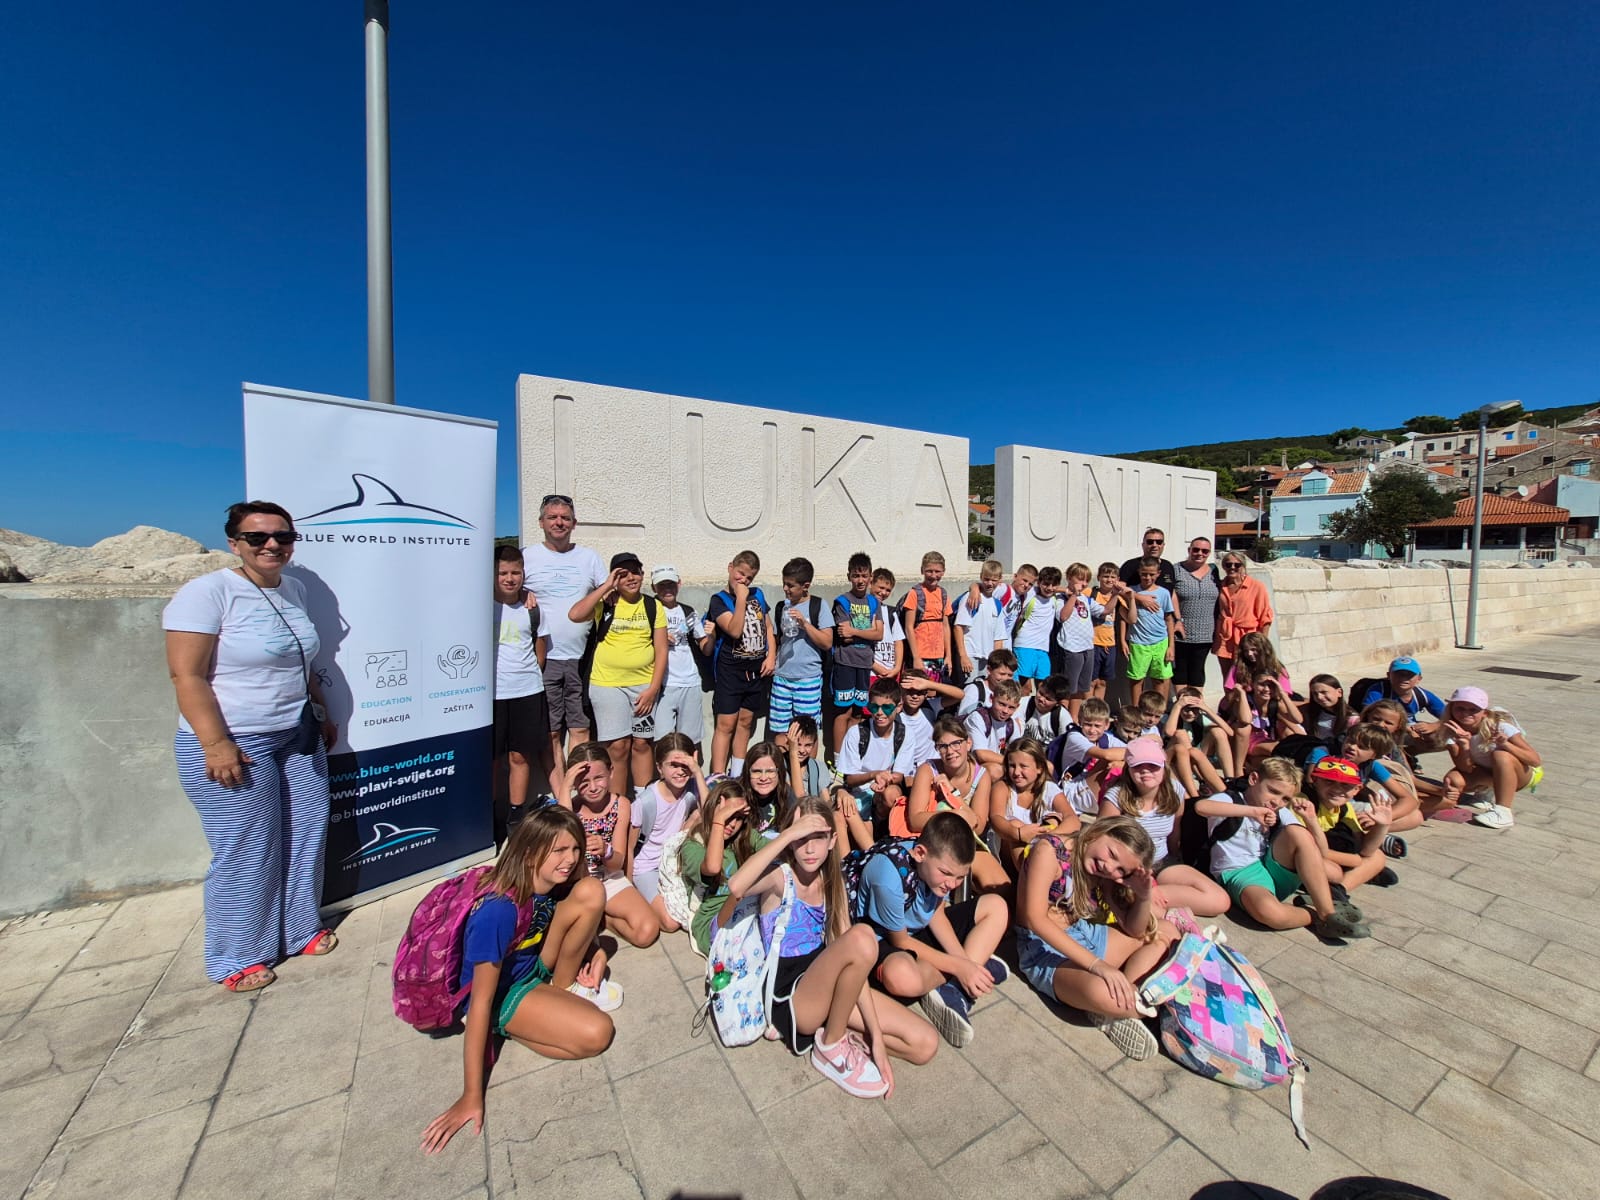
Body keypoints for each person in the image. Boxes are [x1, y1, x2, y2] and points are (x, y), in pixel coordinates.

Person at [163, 501, 338, 992]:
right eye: (257, 537)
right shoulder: (207, 593)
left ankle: (299, 928)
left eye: (282, 536)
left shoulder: (295, 589)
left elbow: (300, 662)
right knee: (245, 848)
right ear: (233, 542)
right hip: (236, 740)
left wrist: (320, 710)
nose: (272, 545)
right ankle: (237, 953)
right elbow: (186, 674)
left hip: (297, 733)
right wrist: (215, 744)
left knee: (304, 836)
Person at [420, 806, 613, 1155]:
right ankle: (513, 1025)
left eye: (574, 849)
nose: (569, 859)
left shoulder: (550, 882)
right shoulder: (499, 910)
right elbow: (479, 1002)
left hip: (533, 963)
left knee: (592, 891)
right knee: (597, 1033)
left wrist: (596, 952)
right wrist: (470, 1096)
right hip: (500, 993)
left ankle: (559, 992)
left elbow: (575, 918)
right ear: (528, 854)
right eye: (559, 851)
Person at [722, 796, 938, 1095]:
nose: (809, 848)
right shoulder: (779, 878)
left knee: (924, 1044)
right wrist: (786, 835)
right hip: (792, 998)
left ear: (833, 839)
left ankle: (842, 1034)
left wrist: (875, 1036)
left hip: (830, 985)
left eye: (818, 837)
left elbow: (855, 967)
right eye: (801, 837)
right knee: (862, 938)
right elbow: (736, 887)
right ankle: (830, 1045)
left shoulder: (831, 880)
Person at [1014, 815, 1182, 1060]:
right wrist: (1099, 967)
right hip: (1043, 948)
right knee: (1108, 992)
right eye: (1112, 854)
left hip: (1085, 935)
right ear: (1098, 831)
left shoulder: (1105, 874)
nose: (1109, 867)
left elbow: (1135, 931)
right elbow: (1035, 919)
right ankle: (1121, 999)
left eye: (1120, 870)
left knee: (1169, 932)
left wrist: (1144, 896)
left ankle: (1119, 998)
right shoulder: (1049, 851)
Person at [852, 812, 1010, 1048]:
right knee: (902, 978)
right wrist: (961, 966)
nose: (952, 884)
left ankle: (954, 989)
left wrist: (963, 960)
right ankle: (967, 972)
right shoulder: (888, 876)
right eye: (947, 874)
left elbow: (936, 913)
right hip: (882, 937)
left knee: (997, 907)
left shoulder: (938, 869)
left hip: (915, 929)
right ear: (920, 853)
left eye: (960, 877)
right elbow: (901, 941)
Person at [1192, 758, 1369, 939]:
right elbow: (1202, 807)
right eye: (1273, 791)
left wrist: (1311, 821)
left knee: (1298, 833)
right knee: (1270, 913)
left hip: (1271, 865)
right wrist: (1252, 811)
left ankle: (1328, 913)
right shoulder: (1231, 799)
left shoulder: (1279, 811)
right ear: (1254, 779)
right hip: (1239, 872)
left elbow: (1321, 852)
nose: (1276, 802)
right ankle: (1315, 914)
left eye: (1285, 798)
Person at [521, 495, 608, 778]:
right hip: (543, 660)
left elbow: (608, 595)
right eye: (553, 517)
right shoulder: (526, 557)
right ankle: (561, 795)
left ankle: (578, 789)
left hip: (581, 658)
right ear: (541, 522)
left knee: (581, 728)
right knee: (551, 732)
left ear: (574, 523)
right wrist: (522, 593)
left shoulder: (589, 557)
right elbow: (506, 591)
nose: (559, 522)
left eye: (565, 518)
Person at [569, 552, 668, 796]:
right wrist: (606, 586)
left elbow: (662, 650)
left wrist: (653, 689)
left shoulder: (652, 605)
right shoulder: (606, 603)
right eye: (622, 574)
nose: (630, 578)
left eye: (635, 571)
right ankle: (618, 803)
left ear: (643, 575)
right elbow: (575, 614)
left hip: (643, 688)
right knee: (618, 747)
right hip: (607, 685)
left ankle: (643, 802)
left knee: (643, 744)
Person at [1097, 738, 1229, 916]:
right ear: (1128, 769)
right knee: (1144, 910)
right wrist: (1141, 879)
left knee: (1219, 901)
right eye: (1138, 766)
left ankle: (1153, 901)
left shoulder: (1175, 790)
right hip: (1127, 868)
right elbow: (1101, 842)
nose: (1146, 771)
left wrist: (1177, 856)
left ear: (1163, 766)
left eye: (1153, 766)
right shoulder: (1116, 797)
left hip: (1162, 860)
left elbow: (1175, 830)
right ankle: (1153, 905)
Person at [557, 743, 661, 951]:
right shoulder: (569, 807)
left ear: (611, 772)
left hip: (608, 879)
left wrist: (606, 850)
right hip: (577, 884)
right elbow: (559, 835)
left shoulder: (620, 805)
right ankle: (593, 916)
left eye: (598, 778)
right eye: (583, 782)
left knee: (647, 931)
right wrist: (565, 788)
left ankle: (603, 919)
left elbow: (618, 863)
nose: (593, 787)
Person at [900, 715, 1010, 891]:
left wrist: (953, 793)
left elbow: (979, 825)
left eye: (956, 743)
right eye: (943, 746)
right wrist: (954, 816)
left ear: (968, 743)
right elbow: (915, 820)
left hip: (966, 844)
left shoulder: (981, 776)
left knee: (1003, 887)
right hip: (934, 845)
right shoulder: (928, 770)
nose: (950, 751)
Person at [492, 546, 552, 847]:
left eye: (515, 572)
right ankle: (492, 815)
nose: (509, 578)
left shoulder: (532, 608)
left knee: (519, 756)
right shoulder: (480, 605)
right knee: (492, 759)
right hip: (490, 696)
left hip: (527, 691)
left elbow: (540, 647)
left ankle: (516, 815)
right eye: (503, 572)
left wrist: (529, 674)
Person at [677, 779, 766, 954]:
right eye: (728, 815)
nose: (732, 824)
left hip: (748, 909)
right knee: (740, 887)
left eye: (739, 818)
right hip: (712, 922)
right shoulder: (694, 844)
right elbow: (712, 868)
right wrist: (719, 821)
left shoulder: (743, 837)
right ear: (713, 809)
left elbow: (776, 850)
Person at [707, 550, 776, 774]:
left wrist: (771, 655)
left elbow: (768, 626)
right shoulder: (719, 601)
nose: (743, 581)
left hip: (755, 671)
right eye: (740, 574)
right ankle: (717, 776)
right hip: (731, 671)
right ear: (730, 567)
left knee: (746, 721)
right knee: (726, 725)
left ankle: (737, 773)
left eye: (749, 578)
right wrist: (741, 598)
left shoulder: (759, 596)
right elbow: (735, 631)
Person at [629, 734, 705, 932]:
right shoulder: (645, 802)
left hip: (675, 860)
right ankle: (644, 899)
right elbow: (629, 848)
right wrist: (627, 888)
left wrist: (697, 772)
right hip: (647, 866)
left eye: (685, 765)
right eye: (673, 765)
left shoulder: (692, 789)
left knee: (701, 814)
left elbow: (712, 813)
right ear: (659, 767)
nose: (680, 772)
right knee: (671, 923)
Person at [1439, 686, 1542, 830]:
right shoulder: (1451, 732)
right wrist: (1465, 744)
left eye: (1473, 710)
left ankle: (1503, 812)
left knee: (1500, 755)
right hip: (1489, 772)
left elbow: (1535, 760)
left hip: (1522, 775)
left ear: (1484, 713)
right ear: (1451, 709)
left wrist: (1506, 745)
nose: (1465, 713)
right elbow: (1465, 768)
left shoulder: (1500, 727)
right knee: (1453, 780)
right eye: (1460, 708)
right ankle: (1486, 792)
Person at [834, 677, 918, 847]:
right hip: (858, 792)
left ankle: (883, 831)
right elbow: (849, 779)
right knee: (842, 814)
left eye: (886, 708)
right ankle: (847, 862)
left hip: (884, 788)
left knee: (892, 794)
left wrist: (884, 780)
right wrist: (874, 775)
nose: (879, 713)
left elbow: (899, 775)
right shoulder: (856, 733)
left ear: (898, 707)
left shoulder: (904, 734)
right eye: (874, 707)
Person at [1303, 756, 1397, 891]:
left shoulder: (1345, 808)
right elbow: (1306, 849)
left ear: (1357, 789)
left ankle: (1339, 890)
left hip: (1328, 854)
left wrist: (1382, 825)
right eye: (1329, 781)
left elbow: (1366, 850)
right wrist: (1354, 861)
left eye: (1345, 784)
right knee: (1332, 871)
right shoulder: (1304, 802)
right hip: (1306, 856)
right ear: (1315, 780)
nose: (1337, 788)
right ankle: (1348, 881)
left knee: (1378, 856)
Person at [769, 556, 835, 749]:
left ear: (805, 586)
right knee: (781, 730)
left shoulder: (818, 606)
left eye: (790, 585)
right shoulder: (782, 606)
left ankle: (808, 777)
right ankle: (784, 774)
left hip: (808, 678)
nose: (785, 589)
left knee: (808, 732)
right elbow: (777, 638)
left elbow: (827, 642)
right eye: (784, 584)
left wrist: (805, 624)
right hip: (782, 677)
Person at [988, 737, 1075, 873]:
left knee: (1054, 819)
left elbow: (1073, 819)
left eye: (1023, 766)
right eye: (1012, 766)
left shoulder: (1049, 788)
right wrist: (1017, 833)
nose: (1017, 772)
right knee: (1015, 823)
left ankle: (1044, 875)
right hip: (1007, 855)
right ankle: (1029, 876)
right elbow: (996, 818)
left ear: (1039, 768)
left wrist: (1047, 838)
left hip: (1041, 849)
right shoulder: (1003, 787)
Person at [651, 565, 711, 761]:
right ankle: (662, 782)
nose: (667, 589)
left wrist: (712, 634)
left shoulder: (688, 611)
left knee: (690, 740)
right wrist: (657, 639)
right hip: (662, 685)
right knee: (661, 740)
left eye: (671, 584)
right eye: (662, 585)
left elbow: (705, 646)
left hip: (689, 682)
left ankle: (691, 782)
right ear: (654, 587)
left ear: (679, 584)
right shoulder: (650, 610)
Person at [831, 552, 884, 754]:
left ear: (871, 577)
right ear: (849, 577)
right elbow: (844, 635)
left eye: (864, 576)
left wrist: (855, 632)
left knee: (858, 713)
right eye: (856, 576)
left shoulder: (874, 603)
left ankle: (850, 756)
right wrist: (865, 633)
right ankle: (837, 759)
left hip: (864, 662)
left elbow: (879, 634)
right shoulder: (842, 601)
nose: (860, 580)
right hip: (845, 662)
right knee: (843, 712)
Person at [1355, 657, 1447, 753]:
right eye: (1399, 674)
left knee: (1448, 740)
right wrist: (1406, 729)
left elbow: (1449, 716)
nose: (1403, 678)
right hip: (1383, 729)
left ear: (1419, 679)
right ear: (1388, 675)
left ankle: (1407, 754)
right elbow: (1367, 713)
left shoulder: (1422, 695)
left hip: (1410, 729)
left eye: (1409, 675)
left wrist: (1434, 725)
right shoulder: (1379, 691)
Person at [1120, 558, 1176, 706]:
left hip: (1160, 642)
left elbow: (1169, 619)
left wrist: (1171, 646)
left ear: (1158, 574)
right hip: (1138, 642)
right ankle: (1136, 710)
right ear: (1139, 572)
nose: (1148, 577)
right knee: (1137, 679)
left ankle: (1158, 712)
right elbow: (1123, 616)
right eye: (1144, 574)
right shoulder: (1131, 591)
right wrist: (1123, 641)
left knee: (1160, 678)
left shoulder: (1163, 593)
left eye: (1152, 574)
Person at [1169, 537, 1221, 689]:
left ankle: (1194, 709)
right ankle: (1182, 707)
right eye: (1196, 549)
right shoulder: (1176, 570)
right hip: (1181, 632)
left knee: (1197, 672)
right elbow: (1171, 596)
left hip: (1205, 633)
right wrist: (1177, 620)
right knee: (1180, 671)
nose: (1200, 553)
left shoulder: (1214, 571)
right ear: (1189, 550)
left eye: (1204, 551)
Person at [1213, 553, 1274, 683]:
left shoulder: (1256, 586)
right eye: (1228, 564)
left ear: (1243, 566)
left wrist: (1262, 643)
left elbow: (1265, 616)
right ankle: (1231, 702)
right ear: (1224, 566)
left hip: (1247, 638)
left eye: (1237, 564)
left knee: (1248, 677)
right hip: (1225, 636)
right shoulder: (1220, 586)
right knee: (1228, 679)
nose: (1232, 567)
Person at [1053, 564, 1103, 717]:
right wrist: (1073, 595)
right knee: (1068, 688)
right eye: (1080, 579)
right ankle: (1062, 718)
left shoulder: (1086, 599)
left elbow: (1104, 611)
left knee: (1081, 688)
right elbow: (1063, 616)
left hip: (1087, 647)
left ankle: (1073, 718)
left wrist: (1115, 595)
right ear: (1069, 577)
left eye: (1086, 580)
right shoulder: (1061, 598)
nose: (1083, 583)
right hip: (1071, 647)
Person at [955, 559, 1011, 684]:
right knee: (968, 691)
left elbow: (999, 637)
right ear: (981, 577)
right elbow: (958, 627)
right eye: (986, 579)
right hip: (970, 655)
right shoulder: (970, 598)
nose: (990, 583)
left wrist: (996, 662)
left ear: (1000, 580)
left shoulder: (997, 604)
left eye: (994, 580)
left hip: (987, 660)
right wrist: (963, 656)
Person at [901, 551, 952, 680]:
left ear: (943, 572)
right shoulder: (915, 594)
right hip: (920, 655)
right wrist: (916, 657)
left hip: (939, 656)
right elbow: (909, 627)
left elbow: (945, 627)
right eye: (929, 571)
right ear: (922, 570)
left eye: (937, 571)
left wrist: (948, 656)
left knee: (935, 694)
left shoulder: (943, 594)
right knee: (917, 693)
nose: (933, 575)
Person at [1010, 565, 1060, 693]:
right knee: (1023, 686)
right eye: (1046, 584)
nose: (1049, 588)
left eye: (1053, 585)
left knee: (1043, 686)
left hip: (1043, 649)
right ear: (1039, 583)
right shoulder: (1030, 594)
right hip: (1025, 645)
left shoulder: (1055, 599)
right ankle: (1018, 712)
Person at [964, 676, 1024, 769]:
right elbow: (981, 754)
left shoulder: (1011, 724)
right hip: (971, 766)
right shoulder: (978, 718)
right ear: (991, 698)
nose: (1005, 711)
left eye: (1011, 707)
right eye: (1002, 704)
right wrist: (1013, 762)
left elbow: (1019, 751)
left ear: (1017, 706)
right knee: (995, 769)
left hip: (999, 763)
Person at [741, 741, 796, 837]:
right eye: (756, 771)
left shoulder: (786, 794)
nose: (763, 778)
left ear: (779, 773)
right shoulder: (737, 794)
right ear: (747, 772)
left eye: (770, 771)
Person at [1089, 562, 1122, 702]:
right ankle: (1088, 709)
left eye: (1112, 577)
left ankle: (1099, 710)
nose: (1109, 580)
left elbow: (1131, 618)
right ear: (1099, 577)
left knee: (1103, 681)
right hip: (1093, 642)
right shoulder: (1090, 593)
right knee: (1091, 681)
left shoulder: (1119, 598)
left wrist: (1131, 597)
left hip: (1109, 644)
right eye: (1105, 576)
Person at [869, 567, 906, 682]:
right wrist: (875, 666)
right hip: (872, 673)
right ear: (871, 584)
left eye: (888, 590)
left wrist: (897, 668)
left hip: (892, 673)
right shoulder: (863, 610)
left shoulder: (891, 612)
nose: (883, 592)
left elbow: (898, 642)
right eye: (881, 587)